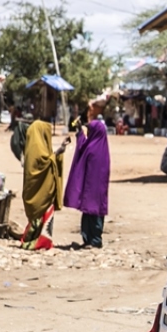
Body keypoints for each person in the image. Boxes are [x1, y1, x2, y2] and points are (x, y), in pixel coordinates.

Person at [64, 98, 112, 248]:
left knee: (94, 211)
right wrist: (80, 132)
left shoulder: (94, 148)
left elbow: (83, 150)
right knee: (89, 211)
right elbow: (83, 146)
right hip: (92, 189)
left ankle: (95, 239)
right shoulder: (98, 146)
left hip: (95, 189)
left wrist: (80, 134)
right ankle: (89, 239)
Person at [19, 102, 65, 251]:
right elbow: (44, 163)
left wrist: (57, 152)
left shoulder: (32, 147)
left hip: (34, 191)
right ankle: (39, 241)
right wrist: (58, 153)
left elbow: (46, 160)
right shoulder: (37, 150)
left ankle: (34, 239)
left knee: (37, 218)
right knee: (42, 215)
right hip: (42, 192)